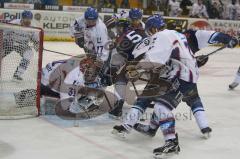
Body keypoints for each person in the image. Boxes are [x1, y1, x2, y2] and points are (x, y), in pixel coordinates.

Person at [112, 14, 238, 158]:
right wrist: (228, 39)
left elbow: (153, 61)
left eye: (149, 31)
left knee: (161, 107)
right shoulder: (177, 34)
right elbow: (211, 35)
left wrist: (136, 69)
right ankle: (150, 130)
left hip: (182, 77)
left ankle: (171, 143)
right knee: (153, 97)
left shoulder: (161, 37)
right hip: (178, 74)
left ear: (153, 29)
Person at [2, 10, 38, 81]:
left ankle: (17, 74)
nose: (28, 21)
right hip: (9, 43)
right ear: (22, 18)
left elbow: (36, 40)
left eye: (29, 19)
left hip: (22, 45)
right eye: (26, 19)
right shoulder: (13, 23)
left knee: (29, 54)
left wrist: (37, 45)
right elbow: (3, 33)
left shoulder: (33, 27)